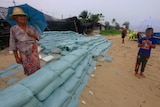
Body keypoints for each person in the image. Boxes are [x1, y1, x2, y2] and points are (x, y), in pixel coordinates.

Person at [9, 7, 40, 75]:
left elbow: (38, 37)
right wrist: (16, 57)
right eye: (20, 16)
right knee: (28, 68)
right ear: (15, 18)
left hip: (33, 51)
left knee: (36, 67)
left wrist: (32, 35)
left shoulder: (31, 27)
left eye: (24, 16)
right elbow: (12, 43)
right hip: (23, 51)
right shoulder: (13, 29)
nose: (22, 17)